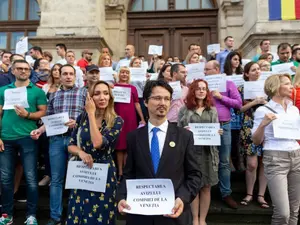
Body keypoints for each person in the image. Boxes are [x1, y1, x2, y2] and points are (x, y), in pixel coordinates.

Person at [117, 79, 202, 225]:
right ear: (145, 102)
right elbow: (128, 174)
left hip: (174, 216)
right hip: (140, 217)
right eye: (157, 98)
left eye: (166, 99)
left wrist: (182, 198)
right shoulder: (133, 137)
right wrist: (122, 197)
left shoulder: (185, 136)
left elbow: (195, 175)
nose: (162, 102)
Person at [30, 64, 87, 225]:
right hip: (56, 140)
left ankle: (75, 215)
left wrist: (77, 122)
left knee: (77, 179)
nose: (68, 76)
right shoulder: (53, 95)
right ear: (59, 76)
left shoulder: (84, 93)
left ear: (75, 76)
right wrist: (39, 131)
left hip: (77, 140)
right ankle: (55, 217)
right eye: (65, 74)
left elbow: (92, 117)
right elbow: (49, 121)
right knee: (56, 180)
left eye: (71, 74)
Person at [66, 80, 123, 225]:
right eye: (97, 94)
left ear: (110, 97)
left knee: (101, 214)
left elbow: (98, 143)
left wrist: (91, 114)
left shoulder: (116, 121)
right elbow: (71, 145)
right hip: (82, 171)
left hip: (103, 173)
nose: (102, 97)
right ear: (90, 97)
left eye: (105, 93)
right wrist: (81, 153)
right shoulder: (82, 117)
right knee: (78, 211)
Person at [0, 60, 47, 225]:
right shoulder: (3, 90)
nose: (23, 71)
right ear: (12, 70)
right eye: (19, 68)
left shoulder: (37, 91)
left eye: (26, 69)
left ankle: (31, 215)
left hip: (28, 137)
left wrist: (28, 115)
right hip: (6, 138)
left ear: (30, 71)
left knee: (31, 177)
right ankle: (6, 214)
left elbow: (43, 112)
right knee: (5, 178)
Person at [252, 74, 300, 225]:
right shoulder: (262, 110)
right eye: (287, 84)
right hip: (275, 158)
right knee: (283, 213)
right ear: (276, 88)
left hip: (296, 155)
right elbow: (256, 140)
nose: (291, 86)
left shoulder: (293, 109)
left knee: (294, 211)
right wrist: (263, 124)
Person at [178, 79, 221, 225]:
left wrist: (218, 132)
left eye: (204, 88)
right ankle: (195, 219)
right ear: (193, 91)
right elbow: (177, 130)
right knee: (194, 186)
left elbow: (216, 129)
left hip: (208, 153)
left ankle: (203, 220)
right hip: (191, 153)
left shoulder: (213, 110)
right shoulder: (184, 109)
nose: (202, 91)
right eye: (198, 88)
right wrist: (183, 131)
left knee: (206, 186)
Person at [204, 60, 242, 209]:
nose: (205, 72)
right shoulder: (203, 84)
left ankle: (225, 193)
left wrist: (220, 97)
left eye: (208, 70)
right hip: (205, 126)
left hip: (224, 125)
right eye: (205, 70)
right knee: (206, 158)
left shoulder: (228, 83)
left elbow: (238, 104)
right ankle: (205, 190)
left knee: (224, 161)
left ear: (217, 69)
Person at [239, 62, 269, 209]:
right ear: (246, 73)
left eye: (258, 69)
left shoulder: (267, 88)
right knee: (252, 164)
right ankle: (249, 193)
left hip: (267, 125)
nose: (257, 71)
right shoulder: (242, 88)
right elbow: (239, 109)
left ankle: (261, 195)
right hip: (248, 126)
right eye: (253, 70)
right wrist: (255, 102)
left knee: (264, 162)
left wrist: (265, 102)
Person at [114, 66, 146, 181]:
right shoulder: (114, 87)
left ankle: (127, 172)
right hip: (117, 118)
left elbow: (137, 104)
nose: (124, 74)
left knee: (128, 145)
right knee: (119, 146)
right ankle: (120, 172)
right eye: (122, 72)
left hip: (131, 119)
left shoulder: (133, 88)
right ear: (119, 74)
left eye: (126, 73)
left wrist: (142, 118)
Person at [129, 57, 149, 121]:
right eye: (136, 63)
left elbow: (144, 88)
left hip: (140, 97)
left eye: (139, 63)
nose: (138, 64)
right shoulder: (128, 73)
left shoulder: (143, 74)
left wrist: (146, 80)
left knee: (142, 115)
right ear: (132, 64)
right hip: (130, 98)